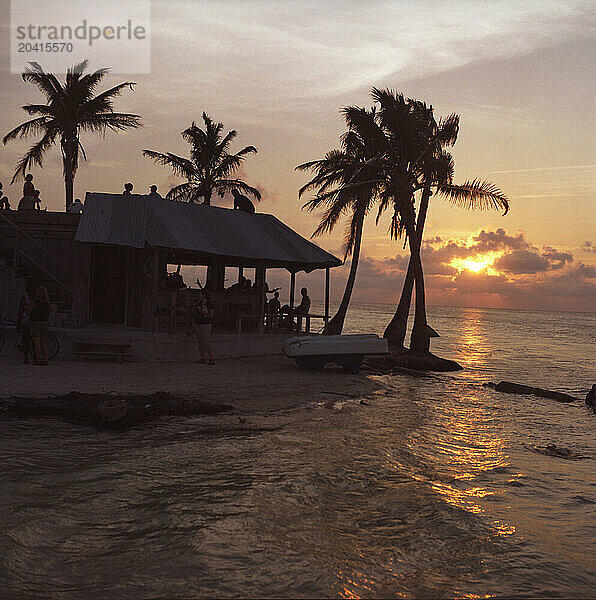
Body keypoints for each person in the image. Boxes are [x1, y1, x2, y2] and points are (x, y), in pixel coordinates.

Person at [26, 285, 51, 365]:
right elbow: (49, 312)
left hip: (35, 322)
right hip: (44, 323)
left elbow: (28, 313)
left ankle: (38, 359)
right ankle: (46, 359)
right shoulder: (47, 303)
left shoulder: (33, 302)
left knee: (37, 342)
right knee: (44, 342)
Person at [193, 290, 215, 364]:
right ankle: (202, 358)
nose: (199, 296)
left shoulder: (209, 304)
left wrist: (205, 312)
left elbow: (211, 315)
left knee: (206, 341)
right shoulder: (198, 303)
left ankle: (211, 358)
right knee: (200, 342)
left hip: (205, 324)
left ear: (204, 295)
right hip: (198, 323)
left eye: (200, 295)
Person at [17, 282, 36, 364]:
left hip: (31, 321)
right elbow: (20, 311)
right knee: (28, 340)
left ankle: (30, 357)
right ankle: (27, 357)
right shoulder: (26, 299)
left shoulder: (28, 298)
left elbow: (21, 311)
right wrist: (18, 321)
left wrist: (18, 322)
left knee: (30, 340)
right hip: (28, 322)